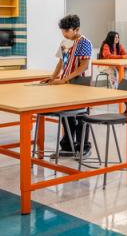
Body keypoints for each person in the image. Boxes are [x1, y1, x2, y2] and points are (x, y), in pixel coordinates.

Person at [45, 14, 93, 156]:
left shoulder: (84, 43)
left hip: (81, 83)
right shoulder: (64, 42)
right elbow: (61, 62)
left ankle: (83, 147)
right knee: (66, 115)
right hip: (66, 83)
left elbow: (83, 66)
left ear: (76, 29)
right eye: (62, 30)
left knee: (81, 116)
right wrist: (52, 77)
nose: (64, 33)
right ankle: (67, 146)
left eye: (67, 30)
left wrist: (64, 79)